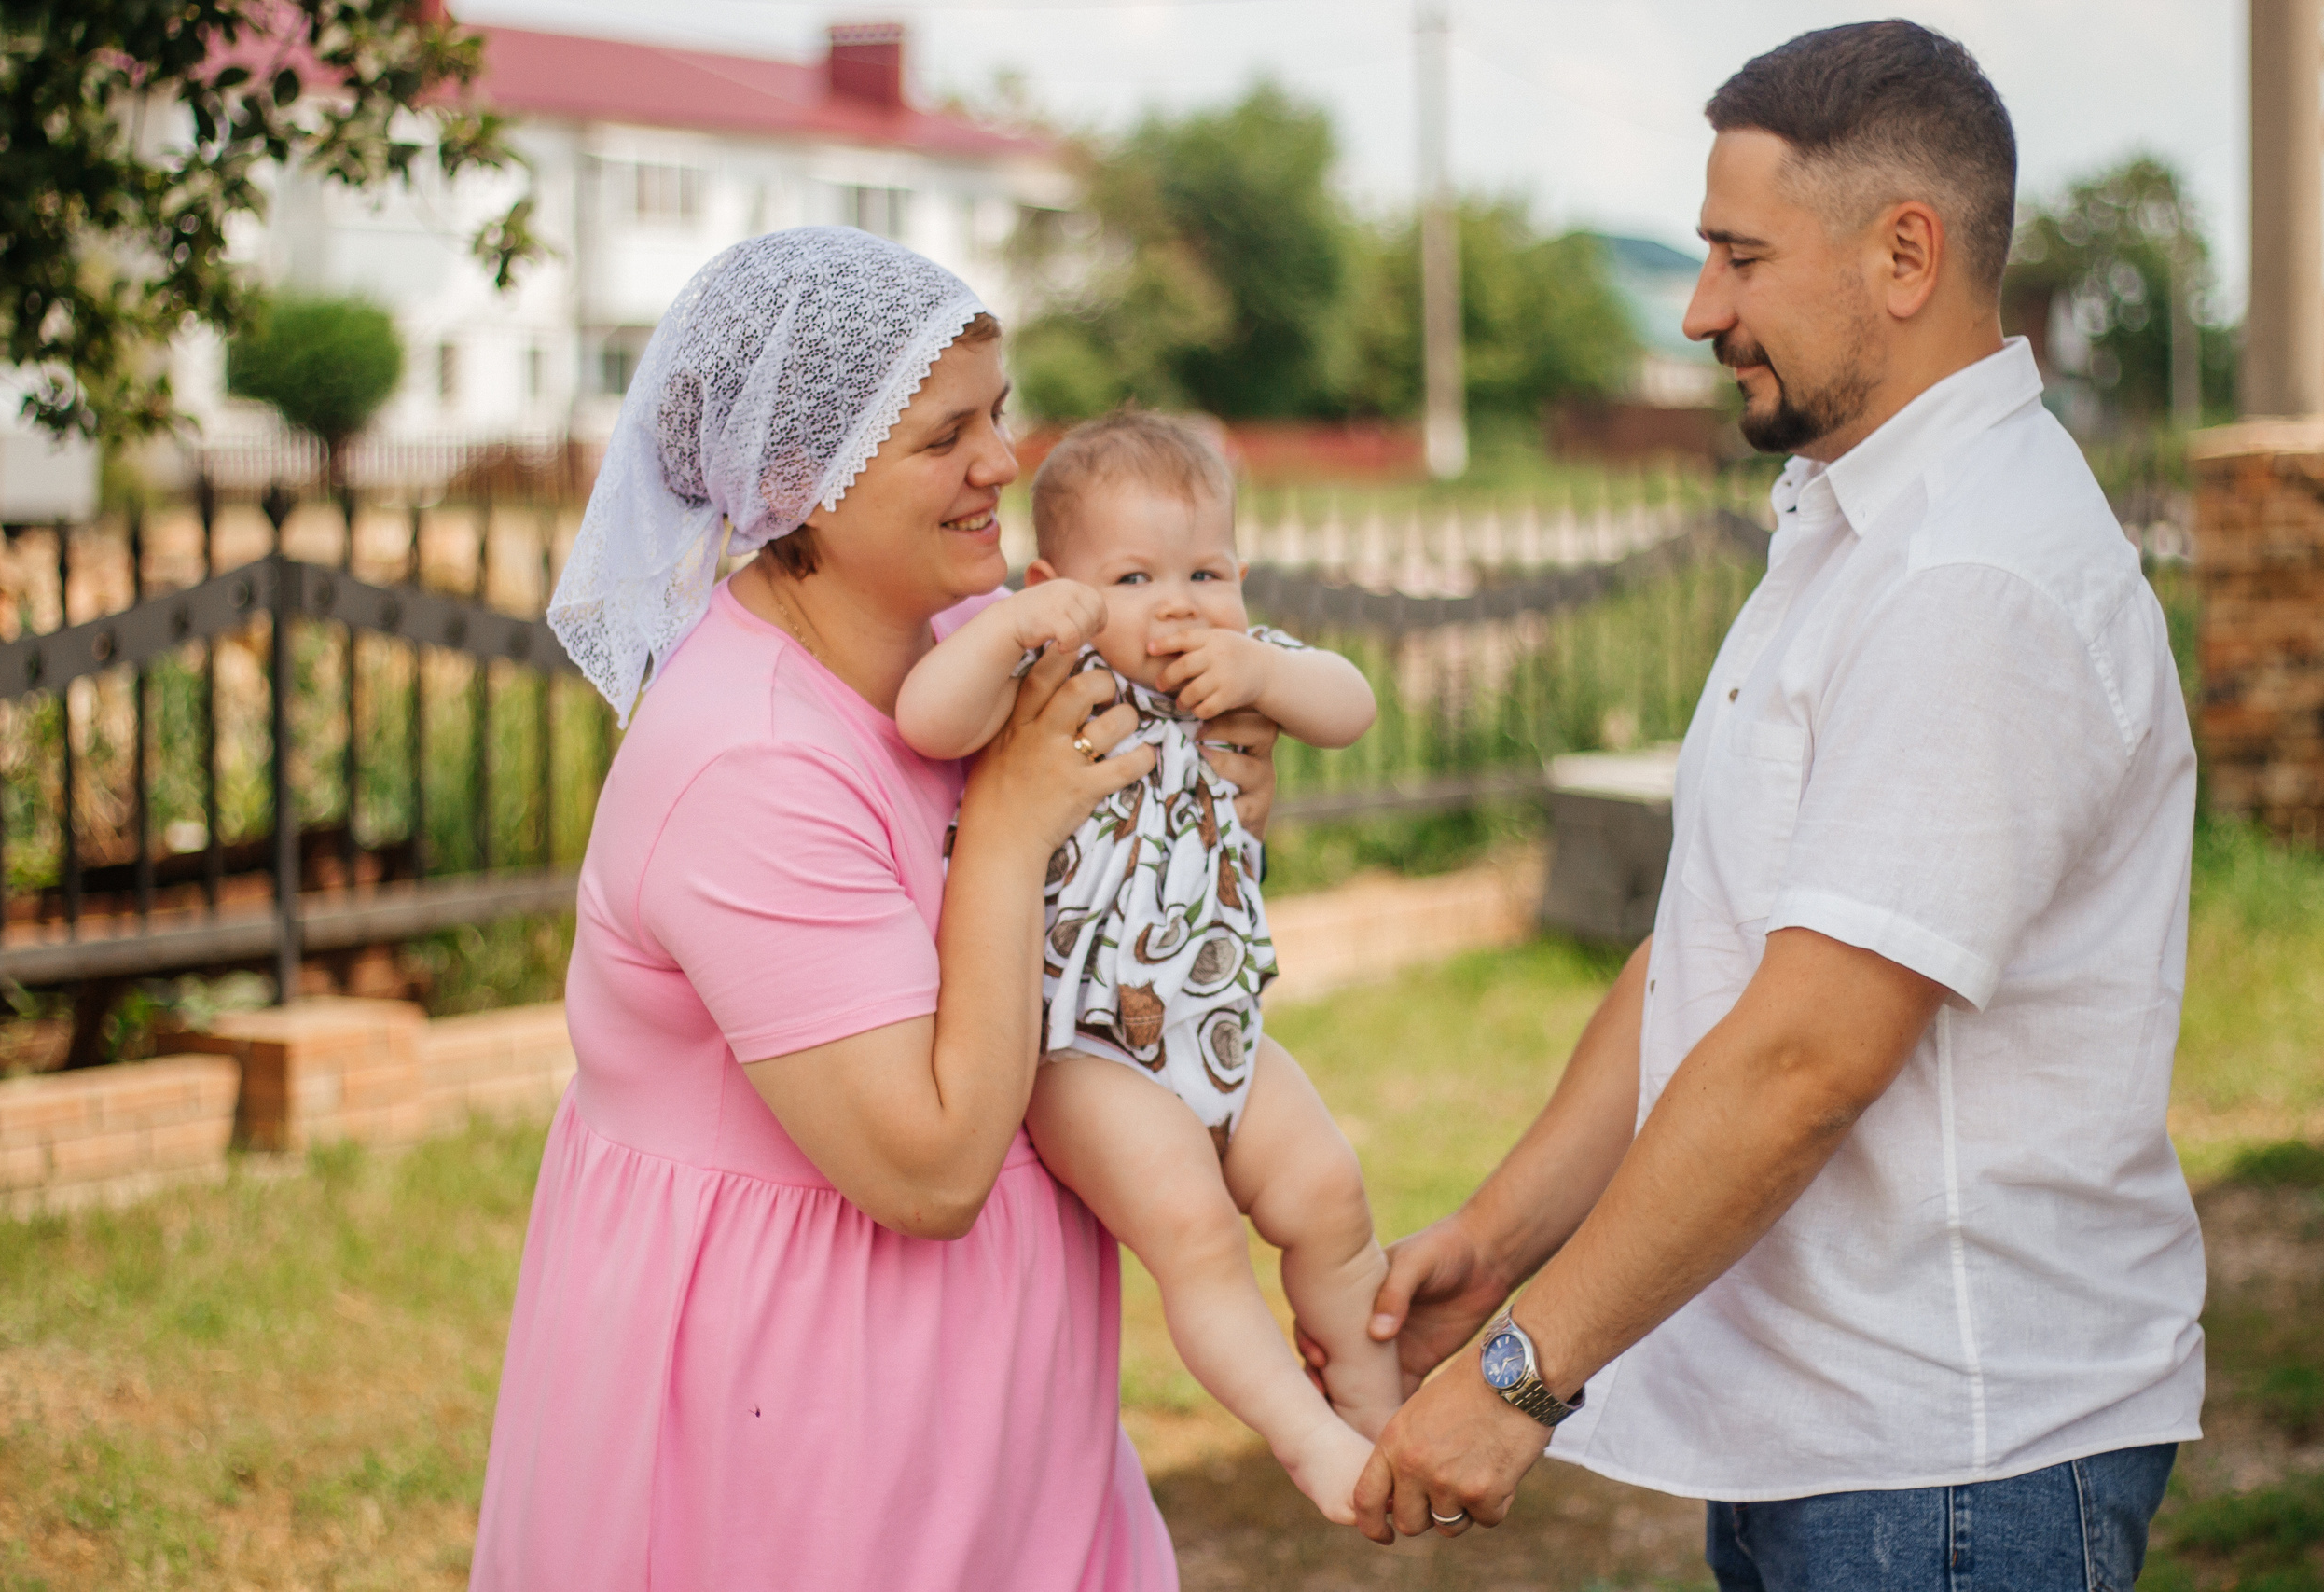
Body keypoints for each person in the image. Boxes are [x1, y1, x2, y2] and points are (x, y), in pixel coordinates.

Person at [1335, 23, 2205, 1589]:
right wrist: (1499, 1234)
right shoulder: (1853, 522)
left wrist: (1525, 1373)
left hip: (1954, 1464)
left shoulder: (1974, 578)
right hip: (1843, 1442)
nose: (1698, 311)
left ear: (1903, 254)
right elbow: (1710, 955)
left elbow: (1805, 1056)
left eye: (1740, 257)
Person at [471, 228, 1282, 1589]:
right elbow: (928, 1166)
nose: (1003, 464)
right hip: (802, 1433)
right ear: (802, 483)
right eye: (944, 436)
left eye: (1000, 415)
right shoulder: (748, 759)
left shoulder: (971, 659)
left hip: (1001, 1416)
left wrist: (1220, 785)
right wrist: (1016, 825)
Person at [894, 411, 1403, 1523]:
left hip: (1215, 1025)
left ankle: (1376, 1407)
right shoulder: (1043, 669)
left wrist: (1260, 661)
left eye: (1204, 570)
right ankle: (1304, 1437)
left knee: (1328, 1192)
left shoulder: (1240, 674)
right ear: (1057, 585)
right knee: (1195, 1231)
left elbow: (1352, 706)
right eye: (1132, 576)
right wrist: (1016, 625)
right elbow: (928, 720)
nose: (1178, 601)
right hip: (1075, 1048)